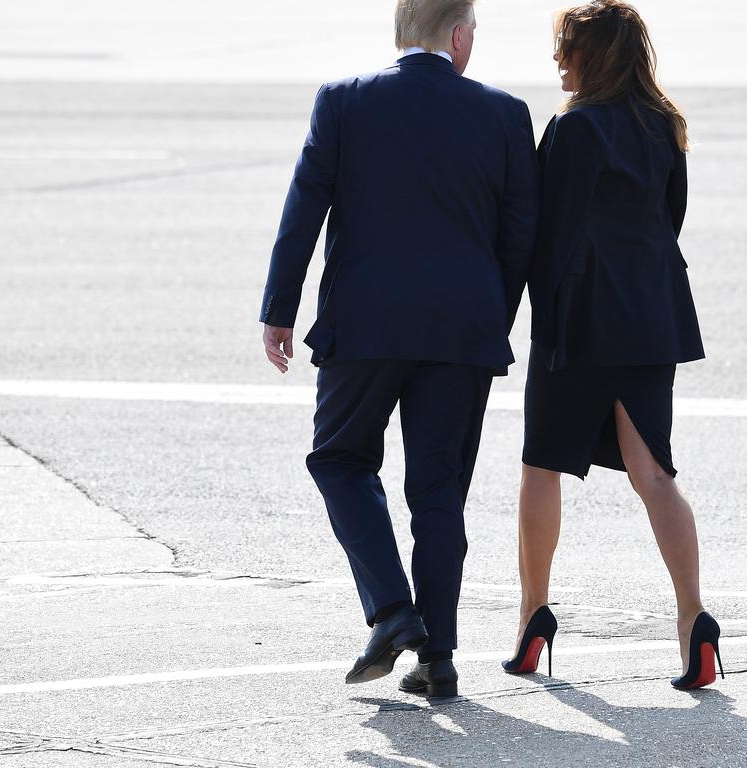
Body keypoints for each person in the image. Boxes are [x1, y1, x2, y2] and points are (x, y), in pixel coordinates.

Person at [259, 0, 539, 698]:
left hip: (364, 326)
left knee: (338, 458)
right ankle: (437, 659)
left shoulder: (344, 100)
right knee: (439, 494)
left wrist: (279, 308)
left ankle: (391, 611)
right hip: (463, 333)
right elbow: (519, 237)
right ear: (455, 34)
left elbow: (305, 206)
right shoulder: (506, 115)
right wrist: (486, 319)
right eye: (473, 30)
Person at [504, 0, 724, 690]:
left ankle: (532, 616)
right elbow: (671, 221)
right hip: (653, 317)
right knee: (654, 473)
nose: (556, 61)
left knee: (543, 467)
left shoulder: (575, 130)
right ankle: (694, 622)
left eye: (565, 49)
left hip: (583, 321)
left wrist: (525, 321)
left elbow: (551, 236)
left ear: (590, 56)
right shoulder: (664, 125)